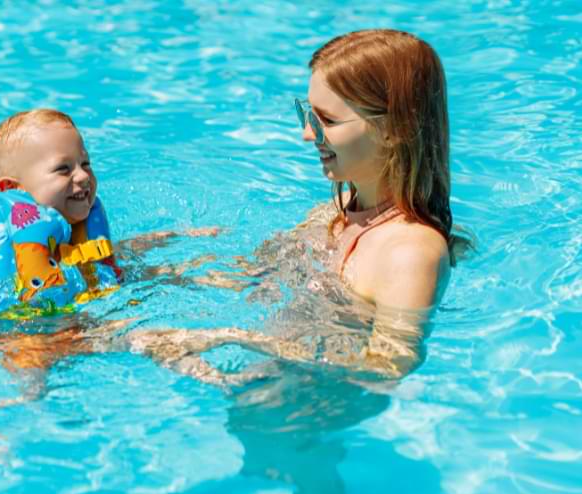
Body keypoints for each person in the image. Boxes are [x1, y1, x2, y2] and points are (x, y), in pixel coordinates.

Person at [134, 29, 468, 379]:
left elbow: (386, 369)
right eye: (308, 114)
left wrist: (231, 338)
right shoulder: (336, 209)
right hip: (274, 376)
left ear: (394, 129)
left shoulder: (410, 254)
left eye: (328, 121)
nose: (308, 134)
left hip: (320, 408)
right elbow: (253, 273)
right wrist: (157, 270)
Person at [0, 109, 220, 374]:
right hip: (27, 336)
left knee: (182, 284)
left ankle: (224, 376)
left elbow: (114, 253)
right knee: (36, 369)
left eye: (86, 163)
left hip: (88, 321)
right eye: (63, 169)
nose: (83, 176)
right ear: (14, 188)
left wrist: (174, 237)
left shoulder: (77, 228)